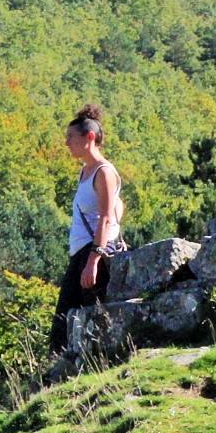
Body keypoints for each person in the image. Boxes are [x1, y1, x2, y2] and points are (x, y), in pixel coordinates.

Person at [49, 102, 125, 353]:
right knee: (65, 322)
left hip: (93, 253)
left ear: (89, 137)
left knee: (88, 319)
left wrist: (94, 260)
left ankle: (91, 370)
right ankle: (67, 373)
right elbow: (117, 208)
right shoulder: (86, 172)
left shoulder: (104, 172)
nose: (66, 143)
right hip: (82, 253)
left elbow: (105, 218)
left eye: (71, 137)